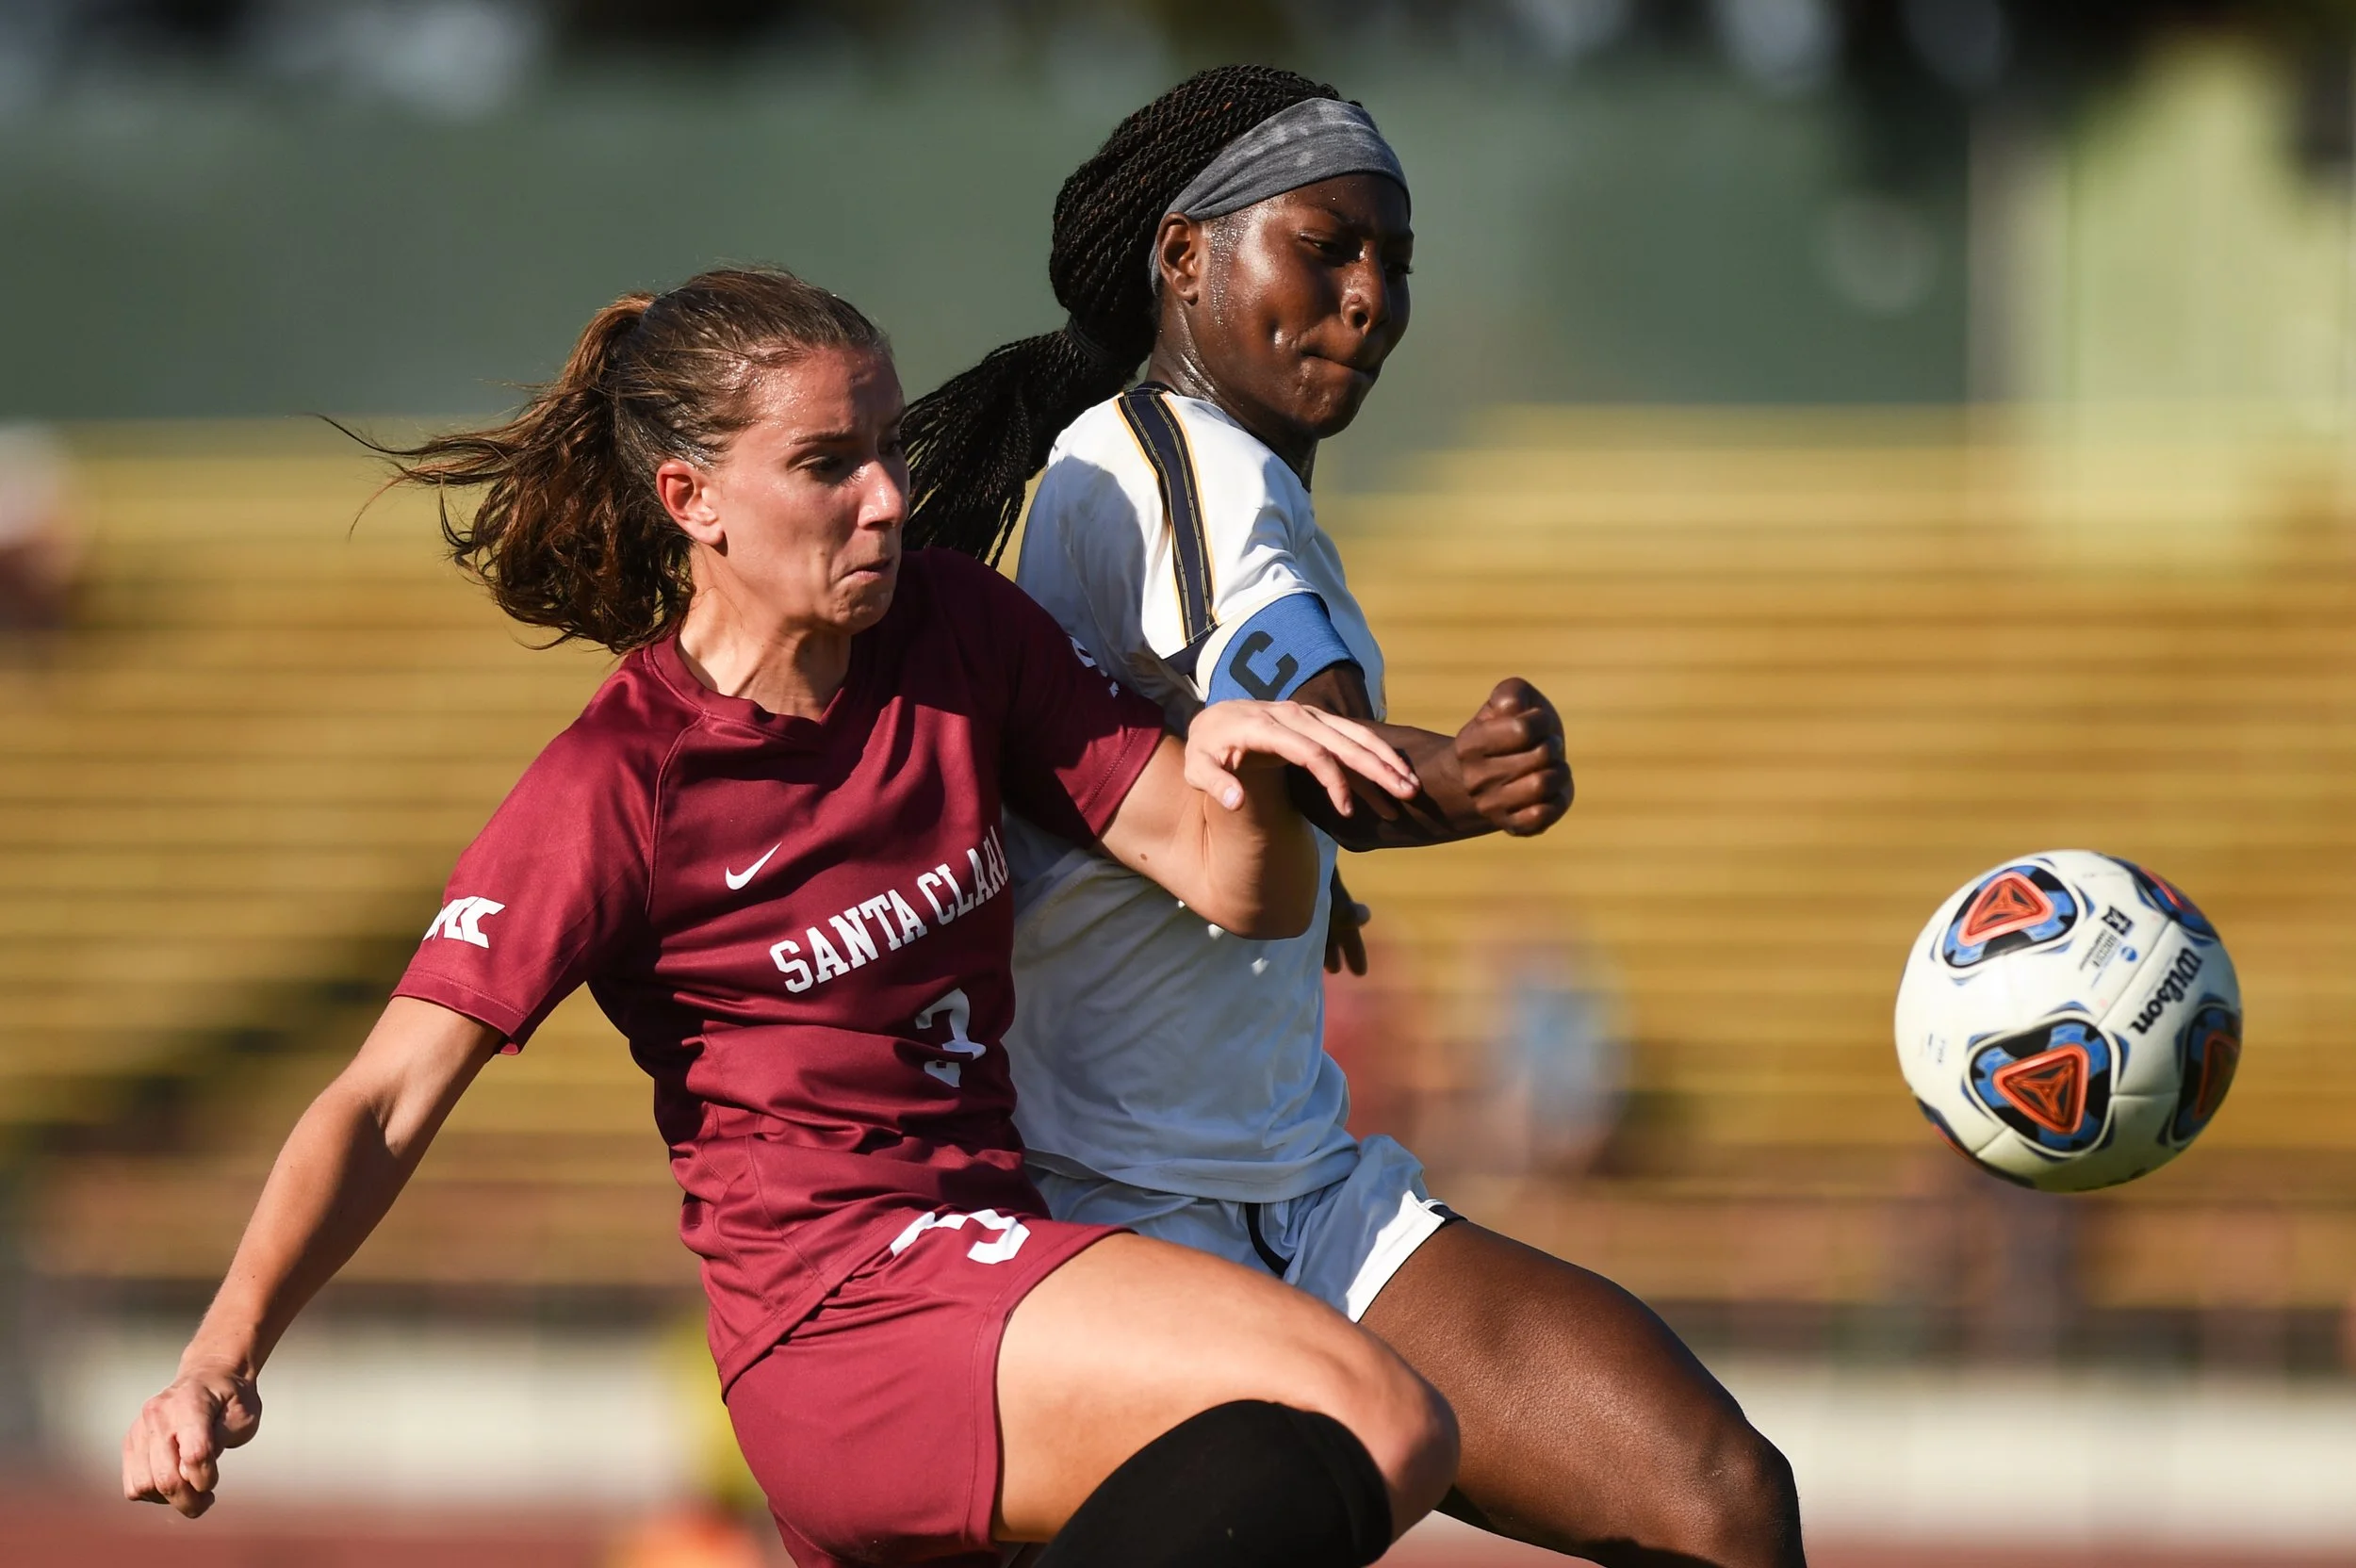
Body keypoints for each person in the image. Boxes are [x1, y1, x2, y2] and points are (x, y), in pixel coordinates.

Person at [120, 267, 1462, 1568]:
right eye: (829, 464)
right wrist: (214, 1362)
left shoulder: (958, 632)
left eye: (886, 446)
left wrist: (1240, 742)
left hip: (994, 1259)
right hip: (841, 1325)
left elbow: (1245, 884)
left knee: (1295, 1468)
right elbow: (384, 1101)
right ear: (692, 500)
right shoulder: (618, 783)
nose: (887, 498)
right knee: (1372, 1416)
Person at [902, 68, 1807, 1568]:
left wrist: (1315, 875)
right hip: (1106, 1219)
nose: (1371, 297)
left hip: (1303, 1196)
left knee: (1714, 1497)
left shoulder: (1212, 475)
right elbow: (1307, 735)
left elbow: (1206, 754)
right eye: (1326, 248)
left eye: (1392, 262)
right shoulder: (1169, 467)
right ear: (1183, 257)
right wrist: (1452, 776)